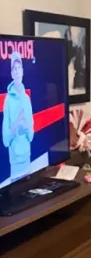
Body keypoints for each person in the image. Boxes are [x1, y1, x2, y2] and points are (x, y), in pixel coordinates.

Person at [2, 50, 34, 181]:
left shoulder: (26, 99)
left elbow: (31, 136)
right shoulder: (8, 101)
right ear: (11, 73)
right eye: (14, 68)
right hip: (15, 165)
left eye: (19, 67)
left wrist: (26, 129)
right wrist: (15, 126)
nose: (16, 71)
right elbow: (5, 140)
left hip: (27, 162)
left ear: (22, 71)